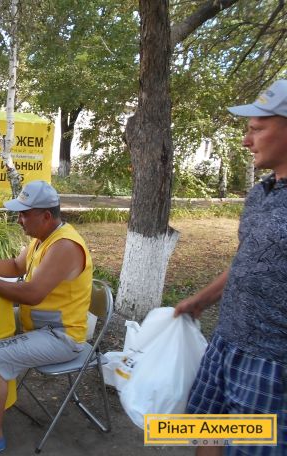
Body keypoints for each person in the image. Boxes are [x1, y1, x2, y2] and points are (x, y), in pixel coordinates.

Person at [174, 79, 287, 456]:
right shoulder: (261, 192)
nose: (245, 141)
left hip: (271, 362)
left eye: (257, 129)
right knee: (208, 432)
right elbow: (247, 260)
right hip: (225, 340)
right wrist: (201, 300)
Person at [0, 180, 93, 456]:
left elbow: (32, 293)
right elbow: (16, 266)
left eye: (24, 214)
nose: (19, 220)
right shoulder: (42, 239)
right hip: (41, 327)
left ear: (46, 216)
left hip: (61, 337)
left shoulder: (64, 246)